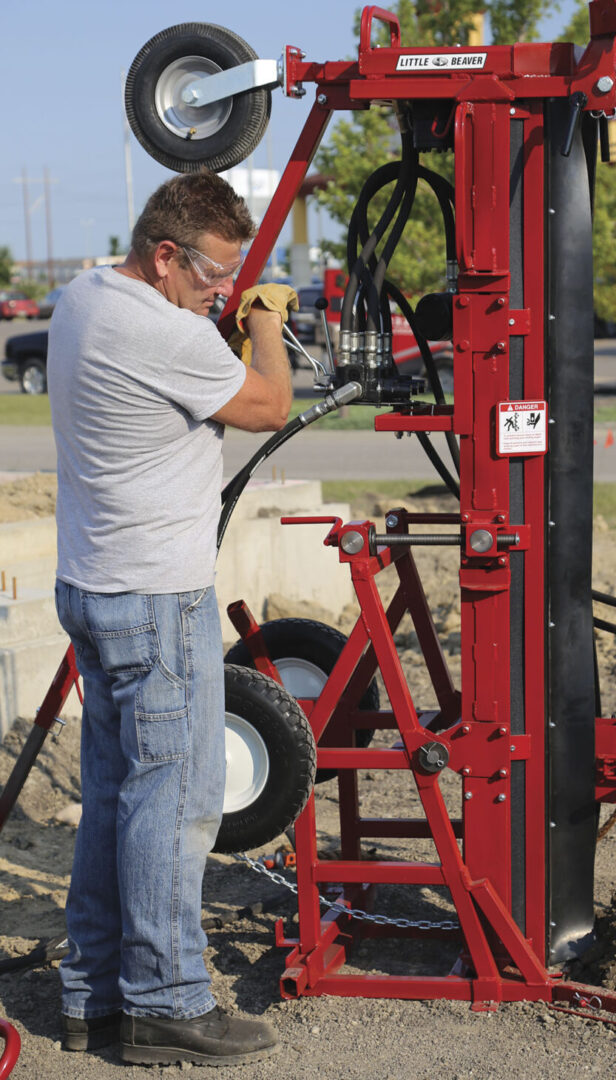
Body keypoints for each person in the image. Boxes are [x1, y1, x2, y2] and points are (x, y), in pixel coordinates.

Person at [48, 170, 294, 1067]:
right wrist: (263, 322)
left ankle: (93, 995)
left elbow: (179, 360)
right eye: (213, 277)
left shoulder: (86, 297)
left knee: (117, 799)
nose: (222, 293)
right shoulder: (161, 331)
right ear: (164, 257)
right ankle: (166, 1002)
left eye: (232, 283)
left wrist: (213, 317)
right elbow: (270, 404)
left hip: (95, 586)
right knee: (177, 804)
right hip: (155, 599)